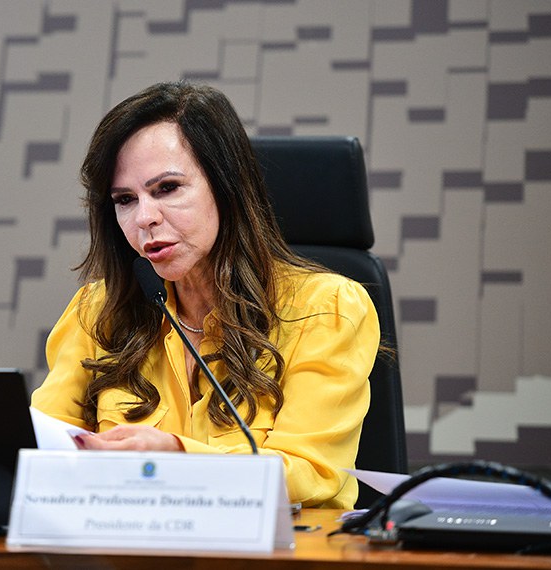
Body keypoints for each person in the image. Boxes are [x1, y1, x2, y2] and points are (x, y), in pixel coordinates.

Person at [31, 81, 380, 509]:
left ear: (226, 185)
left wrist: (175, 456)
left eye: (167, 189)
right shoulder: (98, 310)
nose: (145, 218)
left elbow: (309, 473)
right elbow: (41, 450)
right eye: (125, 199)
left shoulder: (327, 309)